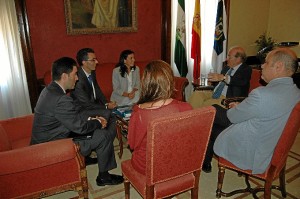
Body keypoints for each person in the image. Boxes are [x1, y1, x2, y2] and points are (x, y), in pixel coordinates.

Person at [203, 48, 300, 174]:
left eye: (266, 62)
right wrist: (244, 106)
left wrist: (238, 108)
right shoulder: (296, 92)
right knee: (214, 115)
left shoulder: (261, 94)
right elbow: (267, 109)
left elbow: (232, 117)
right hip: (270, 141)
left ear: (278, 66)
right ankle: (205, 161)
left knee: (213, 114)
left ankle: (203, 158)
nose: (262, 66)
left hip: (252, 150)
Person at [30, 57, 123, 186]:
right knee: (103, 136)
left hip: (49, 137)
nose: (77, 78)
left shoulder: (49, 90)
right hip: (53, 145)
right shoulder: (61, 99)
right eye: (74, 74)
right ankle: (104, 177)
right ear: (64, 76)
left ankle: (86, 157)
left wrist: (92, 119)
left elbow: (69, 117)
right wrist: (98, 122)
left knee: (94, 128)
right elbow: (80, 128)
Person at [127, 60, 193, 174]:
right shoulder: (187, 108)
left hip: (149, 166)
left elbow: (132, 145)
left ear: (145, 83)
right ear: (171, 82)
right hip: (179, 162)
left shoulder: (139, 113)